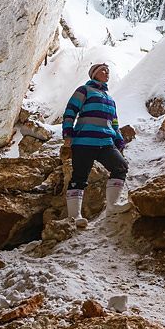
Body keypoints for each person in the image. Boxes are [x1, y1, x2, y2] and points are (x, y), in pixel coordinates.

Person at [62, 63, 128, 228]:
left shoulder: (110, 99)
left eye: (108, 71)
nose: (106, 73)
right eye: (102, 70)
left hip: (106, 142)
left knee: (120, 167)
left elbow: (114, 123)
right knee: (79, 176)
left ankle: (112, 207)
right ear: (93, 74)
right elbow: (70, 110)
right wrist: (68, 132)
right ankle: (74, 216)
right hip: (84, 141)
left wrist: (119, 140)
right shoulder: (84, 90)